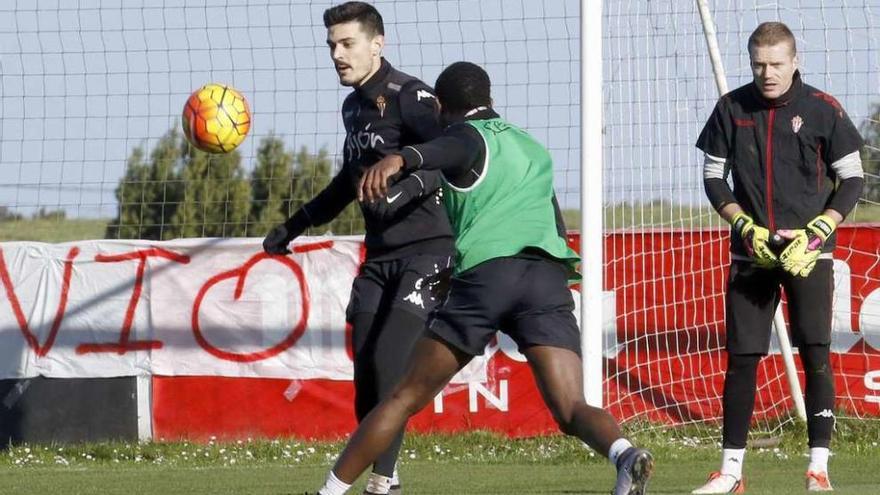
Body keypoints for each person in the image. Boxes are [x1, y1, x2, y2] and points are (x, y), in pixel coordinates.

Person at [313, 61, 654, 495]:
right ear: (490, 100)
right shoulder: (531, 145)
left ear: (440, 106)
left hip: (491, 277)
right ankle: (625, 454)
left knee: (400, 399)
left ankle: (330, 490)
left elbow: (447, 152)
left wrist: (400, 158)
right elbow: (551, 219)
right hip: (547, 278)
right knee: (570, 407)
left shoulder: (462, 135)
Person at [262, 3, 454, 494]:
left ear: (377, 43)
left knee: (391, 362)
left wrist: (406, 186)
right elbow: (349, 182)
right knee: (367, 370)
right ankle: (388, 476)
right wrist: (295, 224)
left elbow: (453, 154)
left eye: (347, 44)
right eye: (331, 46)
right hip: (380, 255)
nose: (337, 55)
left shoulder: (412, 97)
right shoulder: (352, 107)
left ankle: (380, 482)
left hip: (428, 251)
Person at [693, 22, 864, 494]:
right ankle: (730, 473)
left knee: (817, 354)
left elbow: (852, 179)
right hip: (752, 253)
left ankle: (818, 470)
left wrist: (823, 227)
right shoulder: (731, 108)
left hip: (811, 252)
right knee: (742, 358)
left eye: (775, 63)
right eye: (758, 64)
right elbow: (712, 178)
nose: (767, 73)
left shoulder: (824, 108)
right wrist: (741, 224)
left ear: (793, 62)